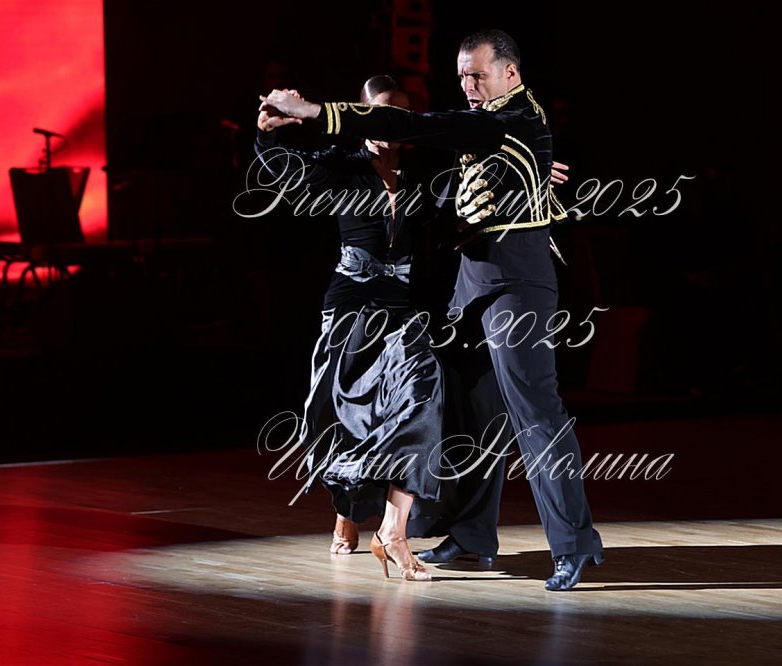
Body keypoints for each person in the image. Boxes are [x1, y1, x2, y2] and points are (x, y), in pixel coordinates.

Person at [263, 29, 604, 591]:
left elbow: (421, 127)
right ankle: (472, 536)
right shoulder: (494, 123)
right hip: (472, 284)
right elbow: (458, 167)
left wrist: (316, 112)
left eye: (479, 75)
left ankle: (574, 544)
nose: (468, 85)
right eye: (462, 75)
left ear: (510, 74)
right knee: (473, 414)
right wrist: (533, 171)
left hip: (517, 283)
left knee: (534, 410)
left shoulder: (513, 117)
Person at [256, 75, 444, 581]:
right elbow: (284, 172)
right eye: (380, 113)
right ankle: (347, 510)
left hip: (402, 307)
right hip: (350, 305)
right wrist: (268, 135)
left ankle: (394, 532)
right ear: (362, 115)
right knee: (348, 414)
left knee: (422, 398)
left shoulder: (424, 171)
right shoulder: (342, 164)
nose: (388, 124)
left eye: (398, 116)